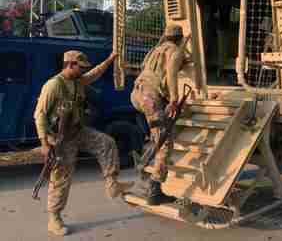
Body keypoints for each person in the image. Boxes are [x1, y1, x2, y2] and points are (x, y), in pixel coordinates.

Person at [34, 50, 134, 236]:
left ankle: (112, 183)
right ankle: (54, 218)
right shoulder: (53, 85)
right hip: (60, 139)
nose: (83, 70)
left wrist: (109, 60)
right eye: (81, 67)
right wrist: (45, 144)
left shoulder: (78, 81)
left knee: (107, 143)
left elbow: (94, 74)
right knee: (61, 179)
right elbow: (39, 115)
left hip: (78, 131)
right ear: (70, 64)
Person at [131, 24, 187, 205]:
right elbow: (171, 74)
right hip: (150, 97)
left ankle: (148, 160)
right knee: (164, 142)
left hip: (137, 94)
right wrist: (174, 99)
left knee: (158, 134)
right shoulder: (175, 51)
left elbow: (148, 68)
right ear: (179, 39)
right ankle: (155, 190)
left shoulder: (155, 50)